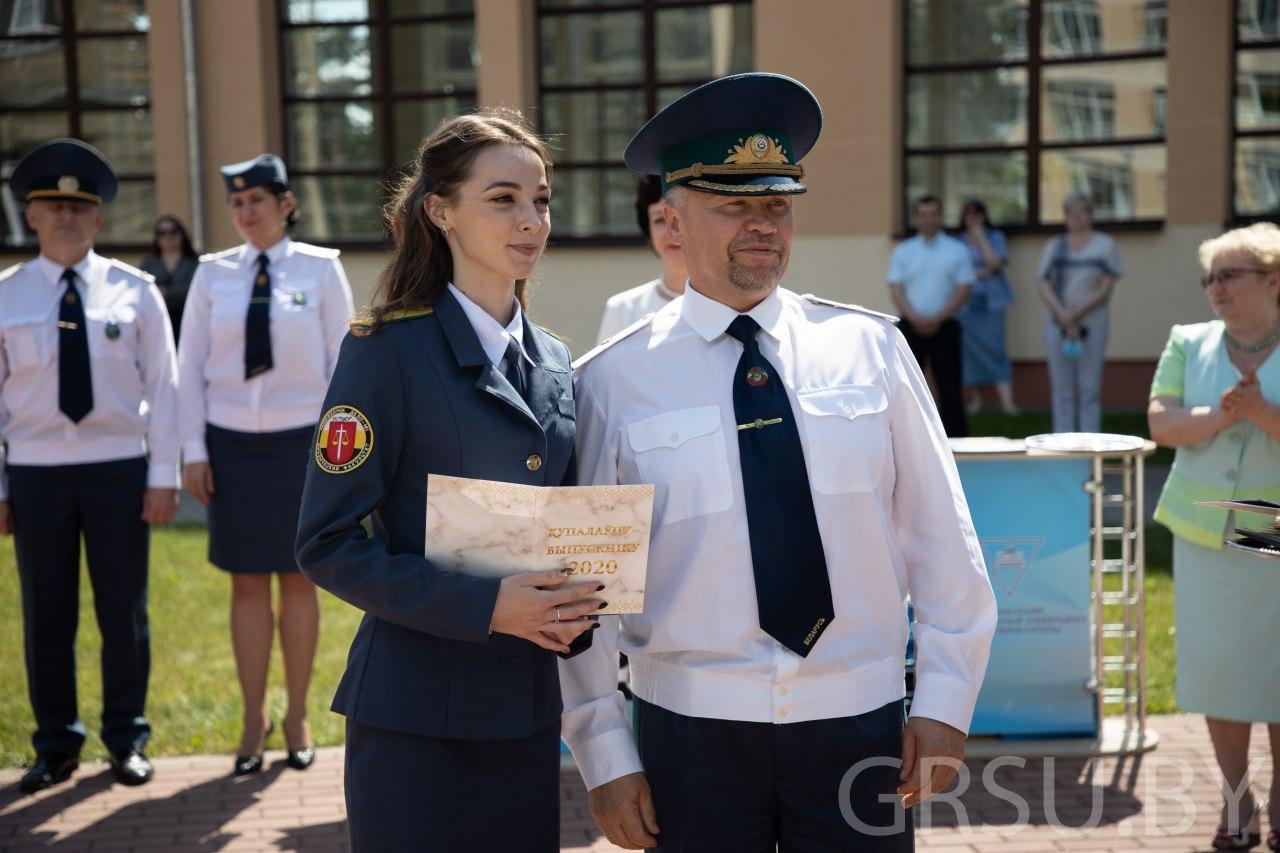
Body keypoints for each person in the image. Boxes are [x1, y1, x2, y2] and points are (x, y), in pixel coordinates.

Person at [561, 73, 998, 852]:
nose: (762, 225)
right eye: (734, 204)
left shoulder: (873, 348)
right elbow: (585, 595)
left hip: (858, 723)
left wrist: (944, 700)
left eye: (777, 204)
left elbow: (942, 538)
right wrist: (603, 752)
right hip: (690, 733)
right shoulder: (610, 381)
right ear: (672, 216)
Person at [294, 110, 602, 852]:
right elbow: (328, 542)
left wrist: (581, 593)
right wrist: (489, 604)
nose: (531, 220)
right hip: (414, 717)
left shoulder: (557, 360)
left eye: (542, 201)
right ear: (440, 211)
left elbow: (562, 523)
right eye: (503, 199)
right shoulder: (385, 350)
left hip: (527, 716)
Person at [0, 138, 179, 792]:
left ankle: (126, 735)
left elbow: (165, 385)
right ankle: (55, 743)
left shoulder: (134, 291)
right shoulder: (7, 295)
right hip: (38, 472)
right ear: (31, 216)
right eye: (53, 205)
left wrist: (162, 475)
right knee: (46, 613)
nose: (67, 216)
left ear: (99, 217)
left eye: (80, 205)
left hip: (117, 472)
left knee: (122, 610)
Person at [177, 154, 354, 776]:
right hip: (230, 445)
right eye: (237, 203)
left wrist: (341, 457)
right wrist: (193, 450)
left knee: (299, 579)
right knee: (246, 582)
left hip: (300, 444)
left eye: (258, 200)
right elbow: (188, 368)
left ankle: (298, 714)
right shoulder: (212, 275)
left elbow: (344, 368)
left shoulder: (321, 270)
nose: (247, 212)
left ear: (286, 204)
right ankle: (253, 717)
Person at [1148, 222, 1280, 853]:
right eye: (1210, 278)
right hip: (1205, 532)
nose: (1215, 288)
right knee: (1219, 671)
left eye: (1230, 275)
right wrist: (1223, 413)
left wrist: (1263, 413)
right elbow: (1161, 422)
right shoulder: (1187, 341)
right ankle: (1237, 801)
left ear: (1274, 281)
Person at [887, 195, 975, 437]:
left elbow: (964, 288)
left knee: (950, 386)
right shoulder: (904, 251)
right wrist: (914, 317)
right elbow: (896, 288)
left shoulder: (957, 250)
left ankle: (957, 440)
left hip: (945, 326)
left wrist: (938, 317)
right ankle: (908, 436)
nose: (928, 220)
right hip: (910, 326)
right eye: (923, 215)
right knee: (906, 386)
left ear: (941, 216)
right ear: (916, 218)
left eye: (933, 214)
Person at [1036, 192, 1123, 433]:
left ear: (1091, 215)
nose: (1076, 216)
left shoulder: (1105, 245)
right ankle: (1062, 450)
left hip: (1092, 325)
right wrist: (1063, 315)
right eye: (1071, 212)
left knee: (1089, 388)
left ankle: (1089, 450)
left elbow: (1106, 287)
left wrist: (1077, 312)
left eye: (1082, 211)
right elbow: (1043, 284)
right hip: (1057, 325)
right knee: (1061, 389)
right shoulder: (1054, 246)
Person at [596, 174, 688, 342]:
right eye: (660, 220)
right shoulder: (622, 310)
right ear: (648, 229)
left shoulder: (737, 305)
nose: (671, 231)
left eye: (680, 218)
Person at [956, 199, 1017, 415]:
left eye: (977, 214)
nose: (973, 219)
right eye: (969, 215)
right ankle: (977, 401)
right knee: (970, 353)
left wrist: (981, 238)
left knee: (996, 349)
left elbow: (996, 263)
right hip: (965, 305)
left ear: (984, 216)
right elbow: (958, 272)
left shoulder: (995, 237)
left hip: (991, 302)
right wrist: (980, 272)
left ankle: (1007, 403)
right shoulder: (958, 242)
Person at [139, 215, 199, 340]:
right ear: (157, 238)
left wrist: (164, 292)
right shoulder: (148, 263)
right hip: (157, 322)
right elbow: (141, 291)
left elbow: (194, 289)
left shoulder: (195, 262)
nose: (168, 236)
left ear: (182, 234)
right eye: (162, 233)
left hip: (188, 320)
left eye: (173, 231)